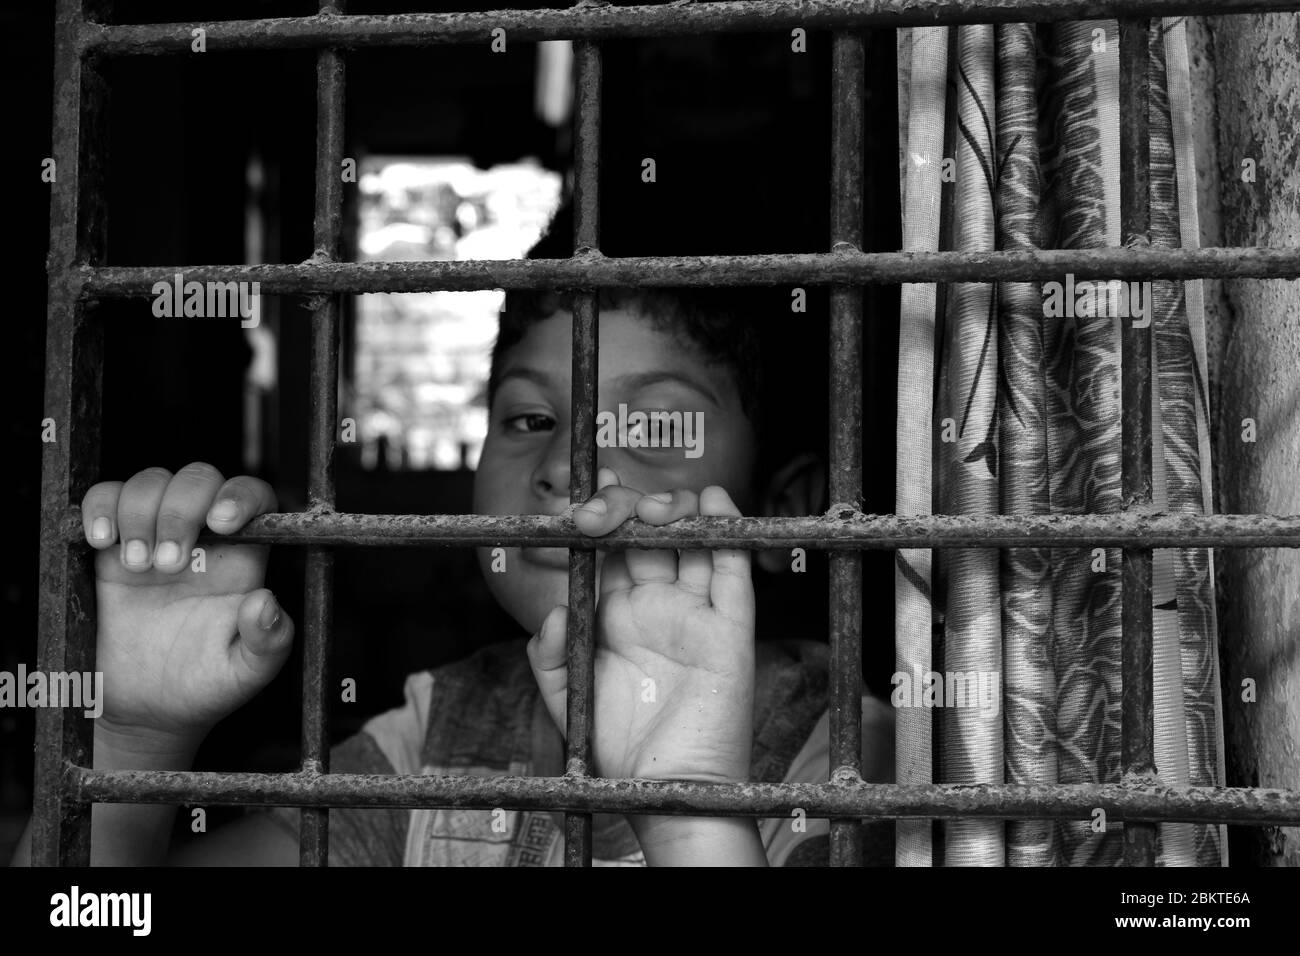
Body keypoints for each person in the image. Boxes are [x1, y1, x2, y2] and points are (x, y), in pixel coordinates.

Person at [12, 205, 894, 867]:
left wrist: (690, 810)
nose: (568, 469)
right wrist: (132, 746)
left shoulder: (855, 752)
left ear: (788, 511)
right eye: (529, 418)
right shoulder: (437, 731)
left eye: (655, 426)